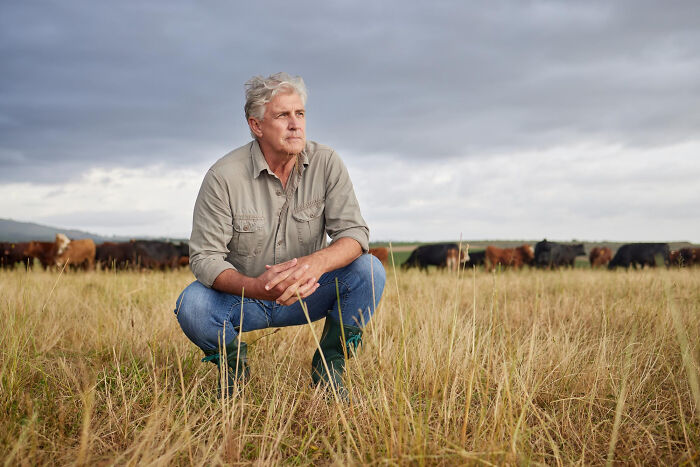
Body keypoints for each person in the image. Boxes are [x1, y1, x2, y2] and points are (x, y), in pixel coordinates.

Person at [174, 72, 386, 399]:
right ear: (256, 126)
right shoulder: (223, 177)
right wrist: (257, 288)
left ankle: (329, 368)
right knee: (193, 305)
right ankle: (235, 372)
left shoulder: (327, 163)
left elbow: (354, 235)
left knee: (370, 272)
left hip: (308, 290)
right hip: (246, 297)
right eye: (282, 115)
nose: (295, 124)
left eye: (299, 114)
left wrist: (316, 264)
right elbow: (205, 259)